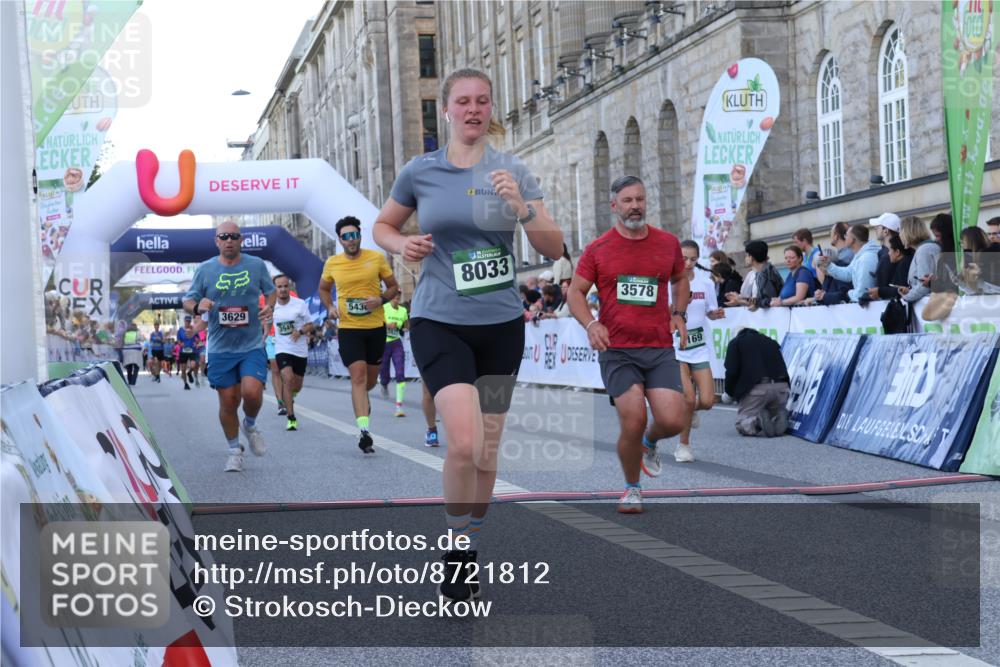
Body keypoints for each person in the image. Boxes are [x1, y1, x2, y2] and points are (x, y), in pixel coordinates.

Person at [372, 67, 563, 601]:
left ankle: (470, 543)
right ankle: (455, 550)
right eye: (463, 101)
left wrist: (523, 210)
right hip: (439, 321)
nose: (473, 109)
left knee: (488, 451)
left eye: (483, 100)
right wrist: (399, 245)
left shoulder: (513, 169)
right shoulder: (421, 171)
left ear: (491, 107)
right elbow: (382, 224)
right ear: (447, 110)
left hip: (501, 329)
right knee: (463, 442)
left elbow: (553, 249)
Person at [567, 174, 690, 514]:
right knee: (633, 419)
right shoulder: (598, 249)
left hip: (659, 346)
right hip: (618, 349)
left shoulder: (667, 243)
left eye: (640, 199)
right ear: (614, 206)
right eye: (628, 201)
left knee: (673, 420)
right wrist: (591, 323)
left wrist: (678, 313)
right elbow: (574, 293)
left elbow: (681, 279)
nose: (635, 206)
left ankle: (650, 443)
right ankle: (632, 488)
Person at [183, 220, 276, 473]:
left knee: (252, 393)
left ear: (241, 240)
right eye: (223, 236)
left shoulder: (256, 266)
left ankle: (251, 424)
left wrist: (270, 306)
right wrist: (196, 307)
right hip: (221, 348)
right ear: (216, 241)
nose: (229, 240)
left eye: (234, 236)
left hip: (251, 344)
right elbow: (188, 299)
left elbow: (271, 292)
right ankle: (235, 450)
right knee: (228, 402)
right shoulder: (205, 270)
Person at [320, 215, 400, 454]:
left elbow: (394, 286)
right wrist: (330, 307)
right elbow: (323, 289)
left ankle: (362, 405)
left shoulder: (376, 258)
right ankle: (364, 431)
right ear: (340, 239)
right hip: (349, 329)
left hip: (375, 328)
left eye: (355, 235)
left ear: (359, 236)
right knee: (358, 376)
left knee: (369, 382)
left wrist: (381, 299)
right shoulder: (333, 263)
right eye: (347, 236)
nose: (351, 240)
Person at [672, 241, 724, 462]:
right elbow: (662, 313)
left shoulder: (706, 283)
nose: (688, 263)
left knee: (708, 400)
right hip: (676, 346)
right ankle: (683, 447)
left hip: (699, 346)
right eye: (684, 258)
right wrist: (681, 303)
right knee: (688, 397)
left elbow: (710, 311)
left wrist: (716, 314)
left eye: (693, 259)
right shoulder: (669, 282)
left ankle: (690, 411)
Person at [724, 327, 790, 437]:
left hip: (758, 389)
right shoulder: (770, 341)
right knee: (770, 412)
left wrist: (729, 392)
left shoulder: (736, 342)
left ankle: (757, 422)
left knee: (742, 422)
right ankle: (777, 416)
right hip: (782, 388)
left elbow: (731, 371)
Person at [271, 274, 313, 431]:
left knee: (297, 385)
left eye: (285, 286)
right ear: (275, 289)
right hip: (282, 348)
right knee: (287, 379)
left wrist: (300, 331)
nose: (282, 289)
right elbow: (266, 323)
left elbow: (310, 324)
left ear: (289, 287)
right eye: (279, 287)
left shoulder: (299, 304)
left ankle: (291, 396)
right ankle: (291, 417)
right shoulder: (272, 306)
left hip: (300, 350)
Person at [815, 223, 880, 303]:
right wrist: (829, 265)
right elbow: (848, 273)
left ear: (852, 239)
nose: (844, 237)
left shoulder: (866, 259)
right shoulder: (860, 255)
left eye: (846, 235)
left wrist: (847, 294)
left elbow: (863, 293)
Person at [379, 292, 409, 417]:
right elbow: (377, 322)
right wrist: (387, 325)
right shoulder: (384, 308)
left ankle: (399, 407)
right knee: (384, 373)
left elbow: (406, 324)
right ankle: (384, 384)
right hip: (384, 344)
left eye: (399, 294)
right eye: (395, 294)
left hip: (396, 343)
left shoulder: (403, 310)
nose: (397, 296)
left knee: (400, 373)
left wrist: (406, 328)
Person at [726, 240, 782, 308]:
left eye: (747, 255)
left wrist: (740, 301)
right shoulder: (763, 272)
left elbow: (767, 301)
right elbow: (759, 300)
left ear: (751, 257)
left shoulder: (765, 274)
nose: (745, 258)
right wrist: (740, 298)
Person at [898, 216, 939, 304]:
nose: (899, 235)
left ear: (907, 232)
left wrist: (906, 297)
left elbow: (924, 286)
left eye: (900, 231)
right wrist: (910, 290)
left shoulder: (924, 250)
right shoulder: (925, 248)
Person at [177, 317, 199, 389]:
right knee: (183, 369)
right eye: (186, 321)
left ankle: (189, 372)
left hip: (192, 350)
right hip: (183, 351)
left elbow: (198, 339)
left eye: (189, 321)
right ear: (184, 321)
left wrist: (196, 342)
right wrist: (181, 344)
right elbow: (178, 340)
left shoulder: (193, 329)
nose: (188, 323)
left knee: (193, 365)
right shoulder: (180, 330)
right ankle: (186, 384)